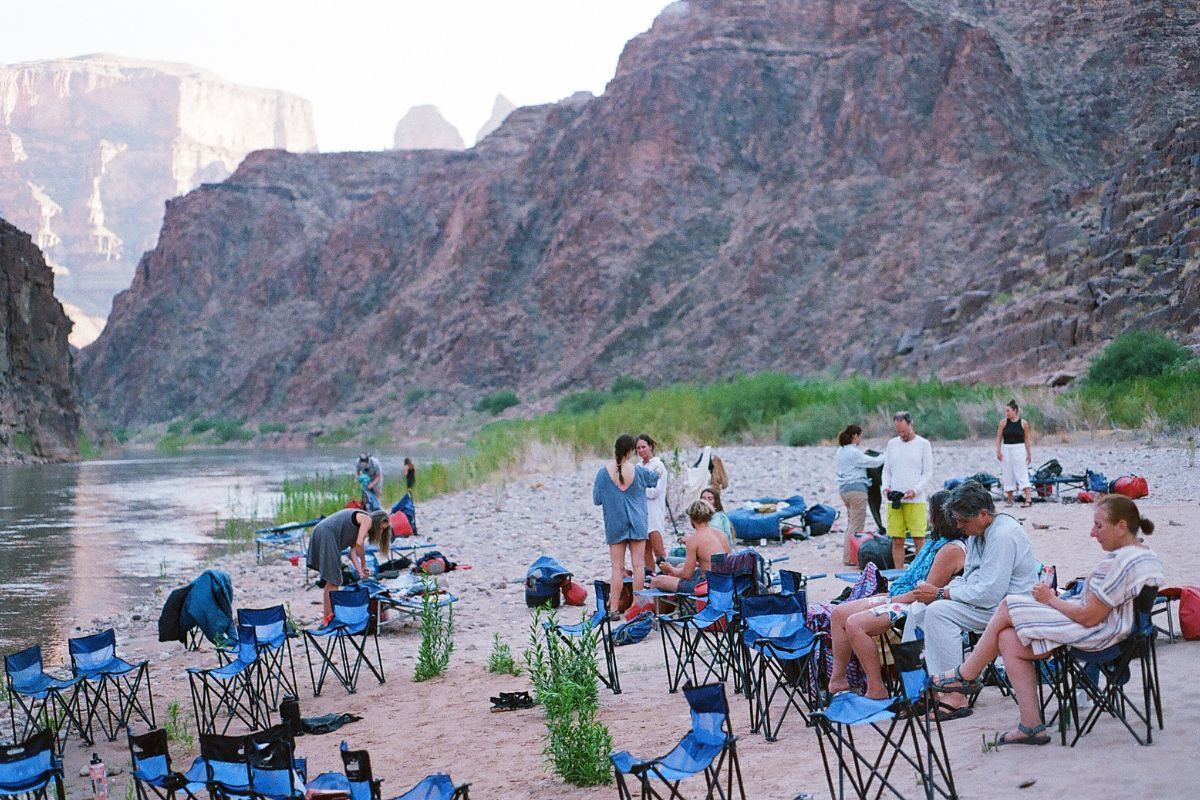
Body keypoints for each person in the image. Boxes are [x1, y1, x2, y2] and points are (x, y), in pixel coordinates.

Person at [930, 495, 1163, 744]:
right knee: (1008, 638)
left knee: (1009, 605)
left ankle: (965, 674)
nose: (1093, 533)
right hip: (1119, 630)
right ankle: (1031, 727)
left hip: (1100, 635)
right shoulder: (1143, 555)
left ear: (1122, 526)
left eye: (1098, 526)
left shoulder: (1120, 563)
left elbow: (1089, 617)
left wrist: (1050, 599)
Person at [902, 480, 1038, 719]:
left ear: (983, 514)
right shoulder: (978, 534)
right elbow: (969, 578)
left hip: (1010, 605)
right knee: (926, 609)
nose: (958, 525)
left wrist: (941, 593)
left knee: (939, 611)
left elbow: (989, 592)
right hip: (990, 603)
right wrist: (938, 591)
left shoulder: (1002, 535)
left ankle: (955, 692)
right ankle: (929, 687)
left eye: (962, 520)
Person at [826, 490, 967, 698]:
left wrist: (892, 599)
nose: (928, 517)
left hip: (918, 604)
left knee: (856, 624)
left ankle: (876, 688)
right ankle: (838, 681)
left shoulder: (951, 550)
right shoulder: (934, 542)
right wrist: (891, 595)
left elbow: (925, 593)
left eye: (930, 513)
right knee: (839, 613)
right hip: (903, 595)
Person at [593, 434, 660, 617]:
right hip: (637, 522)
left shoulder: (602, 473)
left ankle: (613, 608)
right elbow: (655, 479)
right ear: (631, 451)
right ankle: (635, 606)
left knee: (617, 567)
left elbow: (597, 500)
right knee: (638, 565)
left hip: (615, 523)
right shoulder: (638, 471)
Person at [306, 507, 391, 622]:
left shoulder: (361, 524)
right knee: (334, 581)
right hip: (326, 535)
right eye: (381, 528)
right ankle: (328, 619)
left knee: (333, 581)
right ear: (377, 521)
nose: (380, 532)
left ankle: (328, 617)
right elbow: (359, 544)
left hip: (324, 533)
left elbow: (353, 551)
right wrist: (364, 564)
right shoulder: (367, 519)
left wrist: (360, 571)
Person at [881, 411, 934, 571]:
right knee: (897, 539)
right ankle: (898, 572)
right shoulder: (892, 444)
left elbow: (928, 472)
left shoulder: (923, 444)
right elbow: (886, 470)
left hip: (916, 500)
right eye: (898, 432)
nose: (902, 435)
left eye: (904, 431)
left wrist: (916, 490)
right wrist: (885, 487)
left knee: (919, 538)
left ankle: (918, 571)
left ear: (911, 425)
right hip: (895, 500)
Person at [651, 500, 731, 593]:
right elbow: (725, 561)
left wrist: (670, 569)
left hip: (707, 586)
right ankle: (678, 604)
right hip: (725, 583)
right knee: (681, 566)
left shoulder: (693, 540)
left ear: (691, 518)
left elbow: (686, 575)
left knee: (657, 580)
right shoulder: (721, 534)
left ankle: (659, 607)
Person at [835, 424, 887, 565]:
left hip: (844, 490)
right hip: (857, 491)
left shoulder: (840, 451)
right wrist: (887, 454)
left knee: (851, 522)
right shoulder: (853, 452)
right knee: (857, 525)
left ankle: (848, 556)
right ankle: (850, 558)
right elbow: (874, 462)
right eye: (859, 436)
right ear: (855, 436)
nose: (860, 440)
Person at [636, 434, 669, 574]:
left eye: (643, 447)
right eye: (638, 448)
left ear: (650, 447)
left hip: (654, 511)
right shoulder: (637, 467)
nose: (641, 450)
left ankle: (666, 575)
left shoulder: (658, 465)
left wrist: (639, 490)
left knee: (658, 548)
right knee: (645, 549)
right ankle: (650, 578)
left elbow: (655, 491)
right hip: (641, 512)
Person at [995, 400, 1032, 508]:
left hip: (1019, 448)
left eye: (1008, 411)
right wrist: (998, 450)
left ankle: (1028, 499)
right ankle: (1010, 500)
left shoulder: (1023, 423)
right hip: (1007, 449)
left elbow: (1026, 439)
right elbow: (999, 438)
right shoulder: (1003, 423)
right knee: (1008, 473)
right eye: (1006, 411)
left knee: (1022, 473)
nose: (1007, 413)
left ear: (1015, 411)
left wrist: (1029, 453)